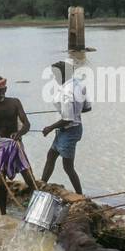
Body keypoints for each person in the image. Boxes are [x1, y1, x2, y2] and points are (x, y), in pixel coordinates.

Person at [0, 77, 37, 214]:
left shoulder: (15, 102)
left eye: (1, 90)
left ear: (5, 89)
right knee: (1, 182)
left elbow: (27, 124)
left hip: (16, 145)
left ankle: (36, 208)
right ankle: (3, 214)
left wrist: (20, 133)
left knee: (29, 176)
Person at [40, 60, 87, 194]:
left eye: (56, 75)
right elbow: (86, 108)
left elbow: (67, 119)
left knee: (68, 167)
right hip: (71, 128)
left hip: (69, 131)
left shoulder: (67, 92)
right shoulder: (79, 84)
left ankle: (79, 194)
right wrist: (73, 110)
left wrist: (49, 128)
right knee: (51, 155)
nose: (54, 78)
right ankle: (42, 184)